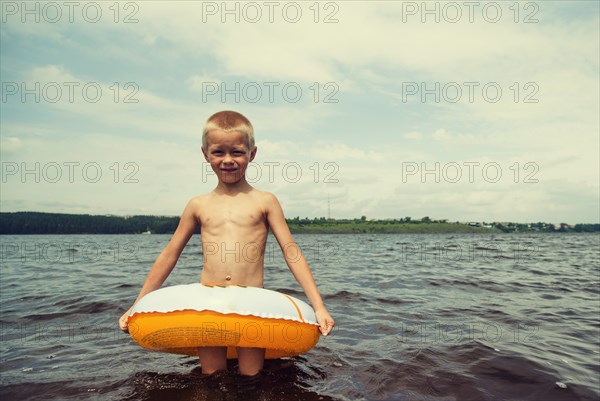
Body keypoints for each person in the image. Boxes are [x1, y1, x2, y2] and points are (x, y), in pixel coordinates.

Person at [118, 110, 335, 377]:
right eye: (219, 152)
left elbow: (291, 253)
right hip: (208, 301)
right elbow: (169, 254)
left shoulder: (265, 201)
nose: (228, 160)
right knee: (211, 376)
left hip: (252, 304)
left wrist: (319, 306)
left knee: (251, 377)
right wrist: (137, 304)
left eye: (237, 152)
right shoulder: (198, 205)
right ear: (205, 154)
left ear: (252, 154)